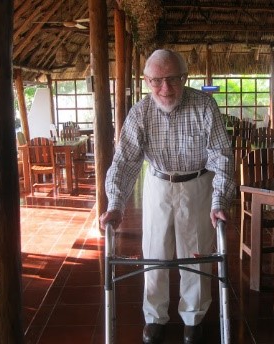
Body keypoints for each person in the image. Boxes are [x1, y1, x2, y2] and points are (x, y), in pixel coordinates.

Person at [99, 49, 235, 344]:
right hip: (158, 185)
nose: (165, 88)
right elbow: (125, 162)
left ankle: (193, 318)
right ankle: (155, 317)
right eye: (156, 81)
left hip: (198, 183)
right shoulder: (141, 112)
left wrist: (219, 200)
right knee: (155, 253)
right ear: (147, 81)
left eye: (172, 79)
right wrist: (116, 205)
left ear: (184, 78)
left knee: (196, 254)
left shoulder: (204, 105)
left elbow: (221, 156)